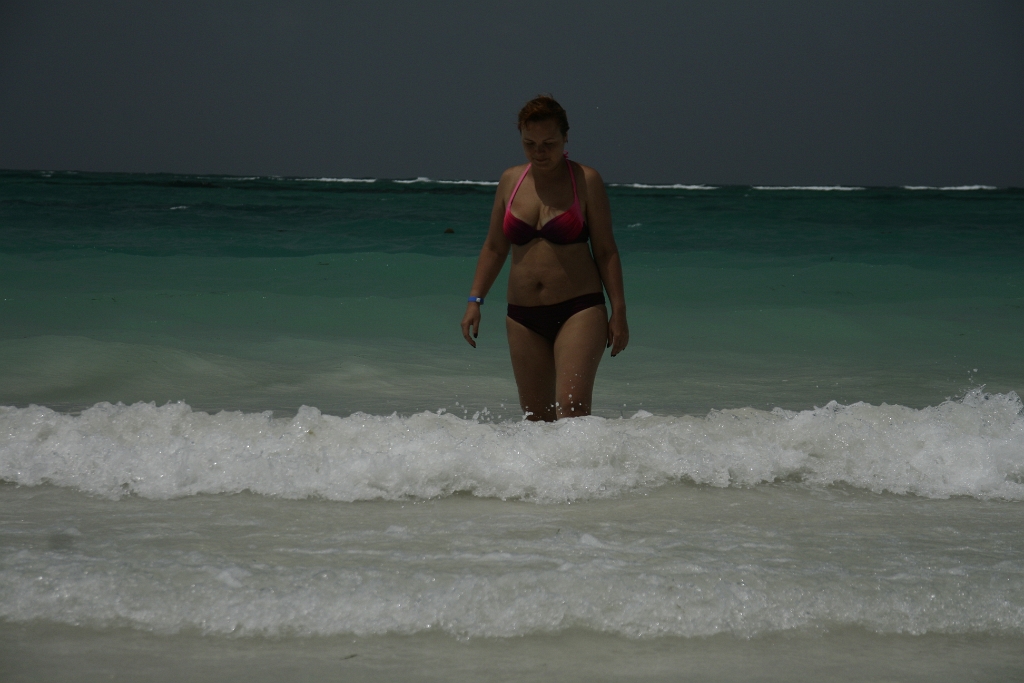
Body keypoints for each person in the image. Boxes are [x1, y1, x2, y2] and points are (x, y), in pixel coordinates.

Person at [461, 95, 629, 421]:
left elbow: (606, 250)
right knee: (536, 418)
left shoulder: (586, 180)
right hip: (522, 316)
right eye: (530, 144)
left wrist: (618, 311)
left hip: (579, 309)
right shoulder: (510, 180)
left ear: (565, 138)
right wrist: (474, 301)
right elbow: (495, 247)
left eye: (549, 143)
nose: (539, 152)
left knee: (573, 409)